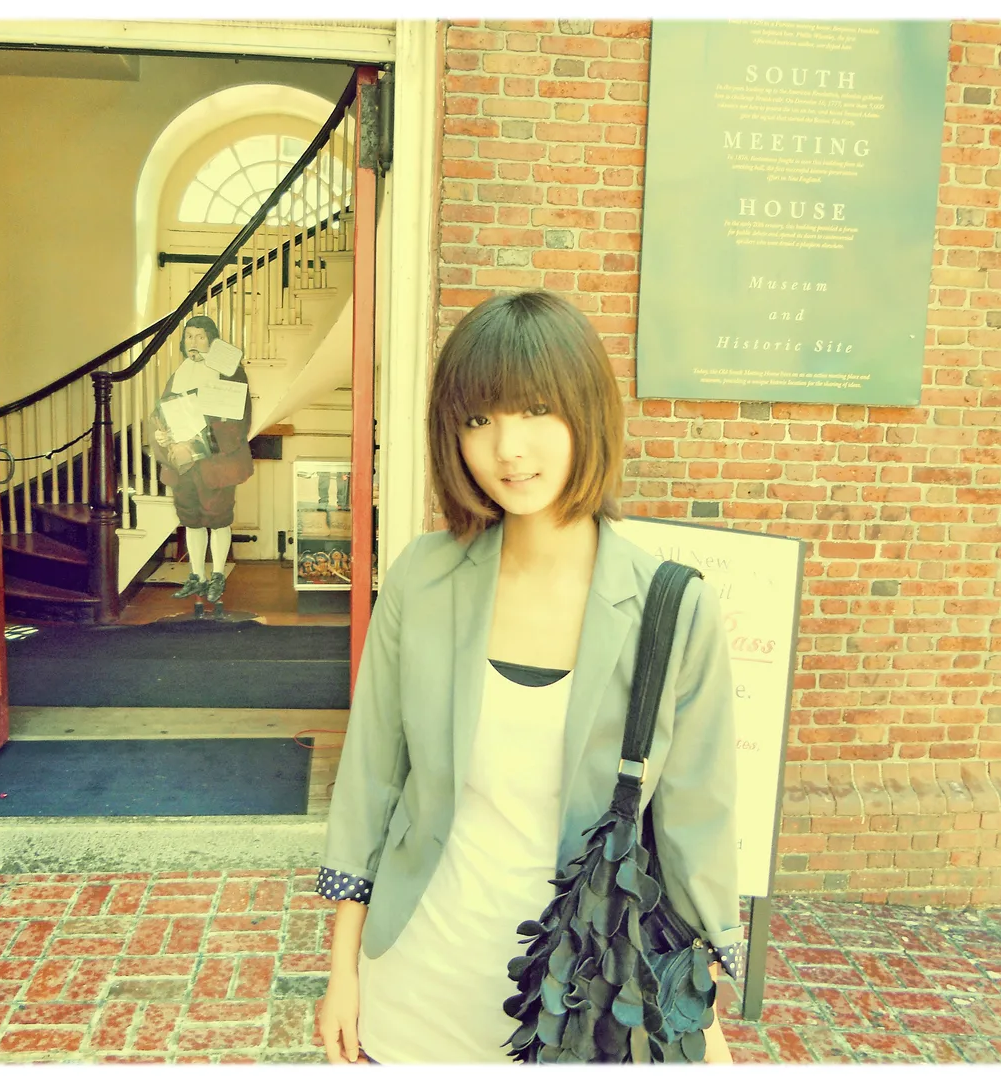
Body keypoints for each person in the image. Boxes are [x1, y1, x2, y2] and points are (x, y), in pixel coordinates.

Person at [315, 291, 741, 1065]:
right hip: (414, 985)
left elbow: (695, 834)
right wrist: (342, 972)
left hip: (577, 1008)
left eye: (537, 409)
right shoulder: (421, 579)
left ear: (588, 412)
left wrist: (698, 1021)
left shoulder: (671, 609)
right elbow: (371, 782)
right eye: (479, 419)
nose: (508, 447)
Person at [147, 314, 253, 603]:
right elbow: (161, 413)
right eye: (189, 337)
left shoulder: (230, 373)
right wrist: (163, 435)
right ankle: (197, 576)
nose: (193, 342)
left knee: (218, 518)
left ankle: (217, 574)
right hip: (183, 463)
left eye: (201, 337)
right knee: (191, 518)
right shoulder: (178, 374)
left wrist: (200, 441)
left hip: (216, 462)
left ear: (212, 341)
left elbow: (239, 420)